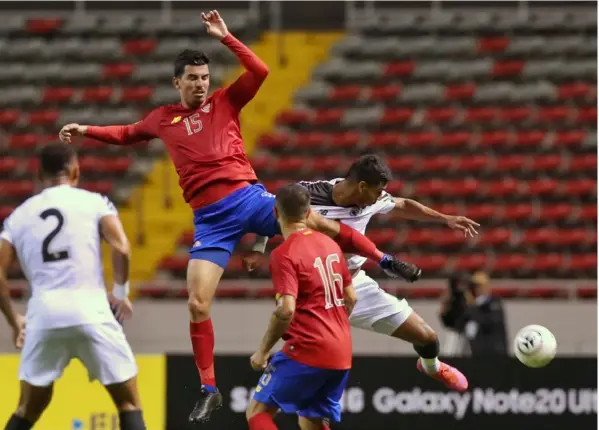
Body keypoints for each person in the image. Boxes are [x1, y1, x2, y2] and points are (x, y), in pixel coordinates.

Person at [57, 10, 419, 423]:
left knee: (316, 221)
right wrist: (86, 129)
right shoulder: (162, 119)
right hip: (211, 221)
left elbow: (261, 69)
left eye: (204, 77)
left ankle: (387, 262)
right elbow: (125, 134)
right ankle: (209, 388)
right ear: (177, 82)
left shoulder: (225, 102)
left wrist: (226, 36)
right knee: (196, 301)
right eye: (192, 78)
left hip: (247, 198)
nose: (200, 84)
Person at [247, 154, 481, 391]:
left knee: (428, 338)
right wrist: (258, 248)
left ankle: (431, 366)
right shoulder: (308, 195)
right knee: (306, 365)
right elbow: (272, 212)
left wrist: (446, 219)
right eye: (378, 192)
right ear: (361, 186)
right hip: (313, 291)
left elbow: (403, 205)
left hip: (354, 284)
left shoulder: (373, 200)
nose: (381, 197)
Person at [0, 143, 146, 430]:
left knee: (28, 408)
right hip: (92, 311)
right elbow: (122, 247)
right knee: (127, 402)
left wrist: (14, 320)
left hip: (44, 316)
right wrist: (120, 294)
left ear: (39, 174)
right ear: (76, 171)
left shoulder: (18, 217)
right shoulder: (94, 203)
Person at [246, 184, 357, 430]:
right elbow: (351, 297)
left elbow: (286, 309)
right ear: (309, 213)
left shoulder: (284, 253)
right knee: (312, 420)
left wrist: (262, 351)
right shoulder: (331, 245)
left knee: (257, 412)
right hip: (341, 351)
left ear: (276, 213)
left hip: (308, 348)